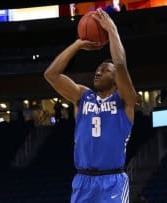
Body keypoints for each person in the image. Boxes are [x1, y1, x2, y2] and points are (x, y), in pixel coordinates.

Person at [44, 8, 136, 203]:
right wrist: (77, 44)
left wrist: (111, 30)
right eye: (97, 69)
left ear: (115, 79)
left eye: (105, 69)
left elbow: (120, 64)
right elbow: (51, 75)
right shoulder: (82, 97)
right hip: (83, 180)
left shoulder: (125, 101)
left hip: (113, 180)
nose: (99, 71)